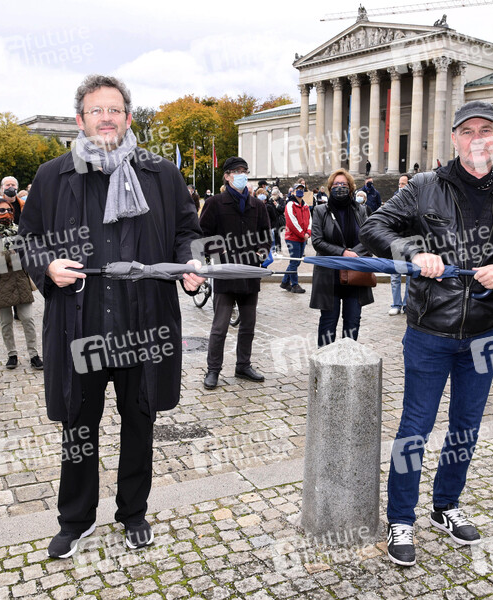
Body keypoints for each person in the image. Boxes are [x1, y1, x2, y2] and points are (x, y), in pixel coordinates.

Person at [16, 74, 204, 559]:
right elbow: (27, 240)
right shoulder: (52, 175)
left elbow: (187, 231)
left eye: (114, 109)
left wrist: (191, 263)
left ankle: (133, 512)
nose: (106, 118)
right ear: (80, 120)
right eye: (96, 110)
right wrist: (47, 266)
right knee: (78, 428)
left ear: (128, 118)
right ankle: (75, 520)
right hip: (79, 326)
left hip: (143, 324)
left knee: (140, 423)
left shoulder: (161, 173)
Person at [360, 100, 493, 566]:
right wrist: (412, 251)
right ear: (454, 139)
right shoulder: (424, 186)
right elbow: (374, 227)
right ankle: (401, 519)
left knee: (465, 428)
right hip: (430, 330)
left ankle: (445, 506)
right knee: (415, 429)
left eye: (486, 130)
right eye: (468, 131)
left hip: (485, 333)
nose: (477, 139)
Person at [199, 157, 271, 390]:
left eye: (244, 171)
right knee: (220, 326)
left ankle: (243, 365)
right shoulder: (215, 203)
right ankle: (213, 370)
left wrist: (262, 252)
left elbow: (265, 235)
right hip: (225, 273)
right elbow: (202, 235)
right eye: (237, 171)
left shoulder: (257, 205)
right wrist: (218, 251)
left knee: (248, 324)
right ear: (227, 176)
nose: (242, 175)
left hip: (249, 272)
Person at [311, 168, 374, 346]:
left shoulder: (361, 210)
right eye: (336, 184)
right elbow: (317, 241)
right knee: (328, 323)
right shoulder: (320, 210)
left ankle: (349, 358)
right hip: (329, 275)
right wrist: (343, 253)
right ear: (330, 187)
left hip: (355, 274)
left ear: (351, 188)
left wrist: (354, 254)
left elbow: (368, 238)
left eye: (344, 184)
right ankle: (324, 359)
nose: (340, 187)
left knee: (352, 322)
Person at [0, 198, 42, 370]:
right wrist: (12, 250)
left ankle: (34, 355)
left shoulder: (19, 230)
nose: (6, 213)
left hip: (20, 279)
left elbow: (28, 253)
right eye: (1, 210)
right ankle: (12, 355)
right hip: (0, 282)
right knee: (6, 322)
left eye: (9, 210)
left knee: (28, 319)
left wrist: (2, 250)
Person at [281, 182, 311, 293]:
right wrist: (303, 234)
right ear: (293, 192)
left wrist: (308, 232)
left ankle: (285, 282)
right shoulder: (290, 204)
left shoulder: (306, 206)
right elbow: (291, 222)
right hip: (293, 237)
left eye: (302, 189)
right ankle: (294, 284)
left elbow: (309, 220)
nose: (300, 191)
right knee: (294, 262)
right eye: (297, 189)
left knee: (296, 262)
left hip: (302, 237)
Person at [389, 175, 410, 315]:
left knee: (410, 277)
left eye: (403, 184)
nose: (400, 186)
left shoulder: (416, 201)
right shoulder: (393, 201)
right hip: (396, 242)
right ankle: (396, 304)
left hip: (410, 242)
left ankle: (407, 304)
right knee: (395, 276)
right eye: (399, 184)